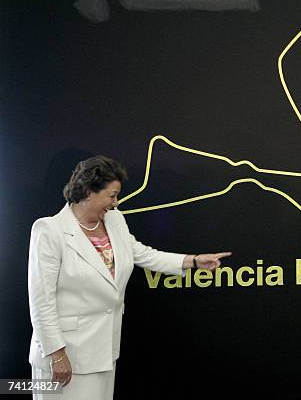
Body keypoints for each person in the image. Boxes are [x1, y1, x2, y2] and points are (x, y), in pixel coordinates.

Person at [28, 155, 231, 400]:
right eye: (111, 195)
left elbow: (143, 254)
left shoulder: (114, 220)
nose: (116, 203)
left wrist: (194, 261)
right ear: (88, 191)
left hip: (103, 350)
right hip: (65, 357)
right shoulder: (49, 230)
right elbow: (41, 301)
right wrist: (56, 354)